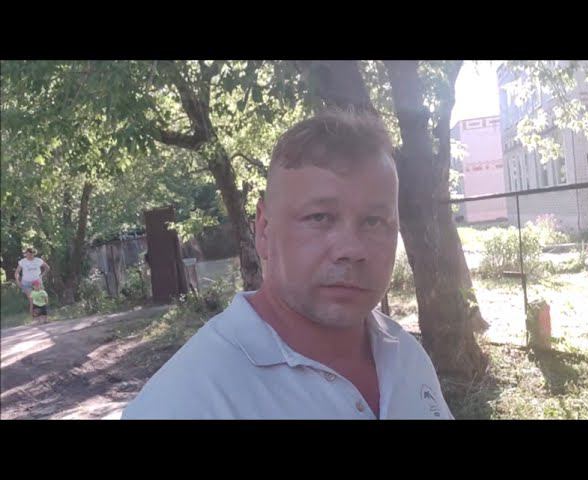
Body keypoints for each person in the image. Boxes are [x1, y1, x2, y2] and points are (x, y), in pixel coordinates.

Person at [122, 109, 453, 420]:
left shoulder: (406, 356)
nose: (351, 249)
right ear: (264, 229)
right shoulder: (184, 401)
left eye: (374, 221)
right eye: (320, 217)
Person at [15, 248, 51, 315]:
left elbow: (47, 268)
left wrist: (42, 275)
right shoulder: (22, 262)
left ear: (34, 254)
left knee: (41, 297)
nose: (29, 256)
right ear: (25, 254)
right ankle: (33, 315)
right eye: (27, 254)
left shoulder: (38, 260)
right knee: (31, 299)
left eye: (31, 254)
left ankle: (44, 313)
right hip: (26, 282)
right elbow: (17, 272)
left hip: (37, 281)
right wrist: (17, 281)